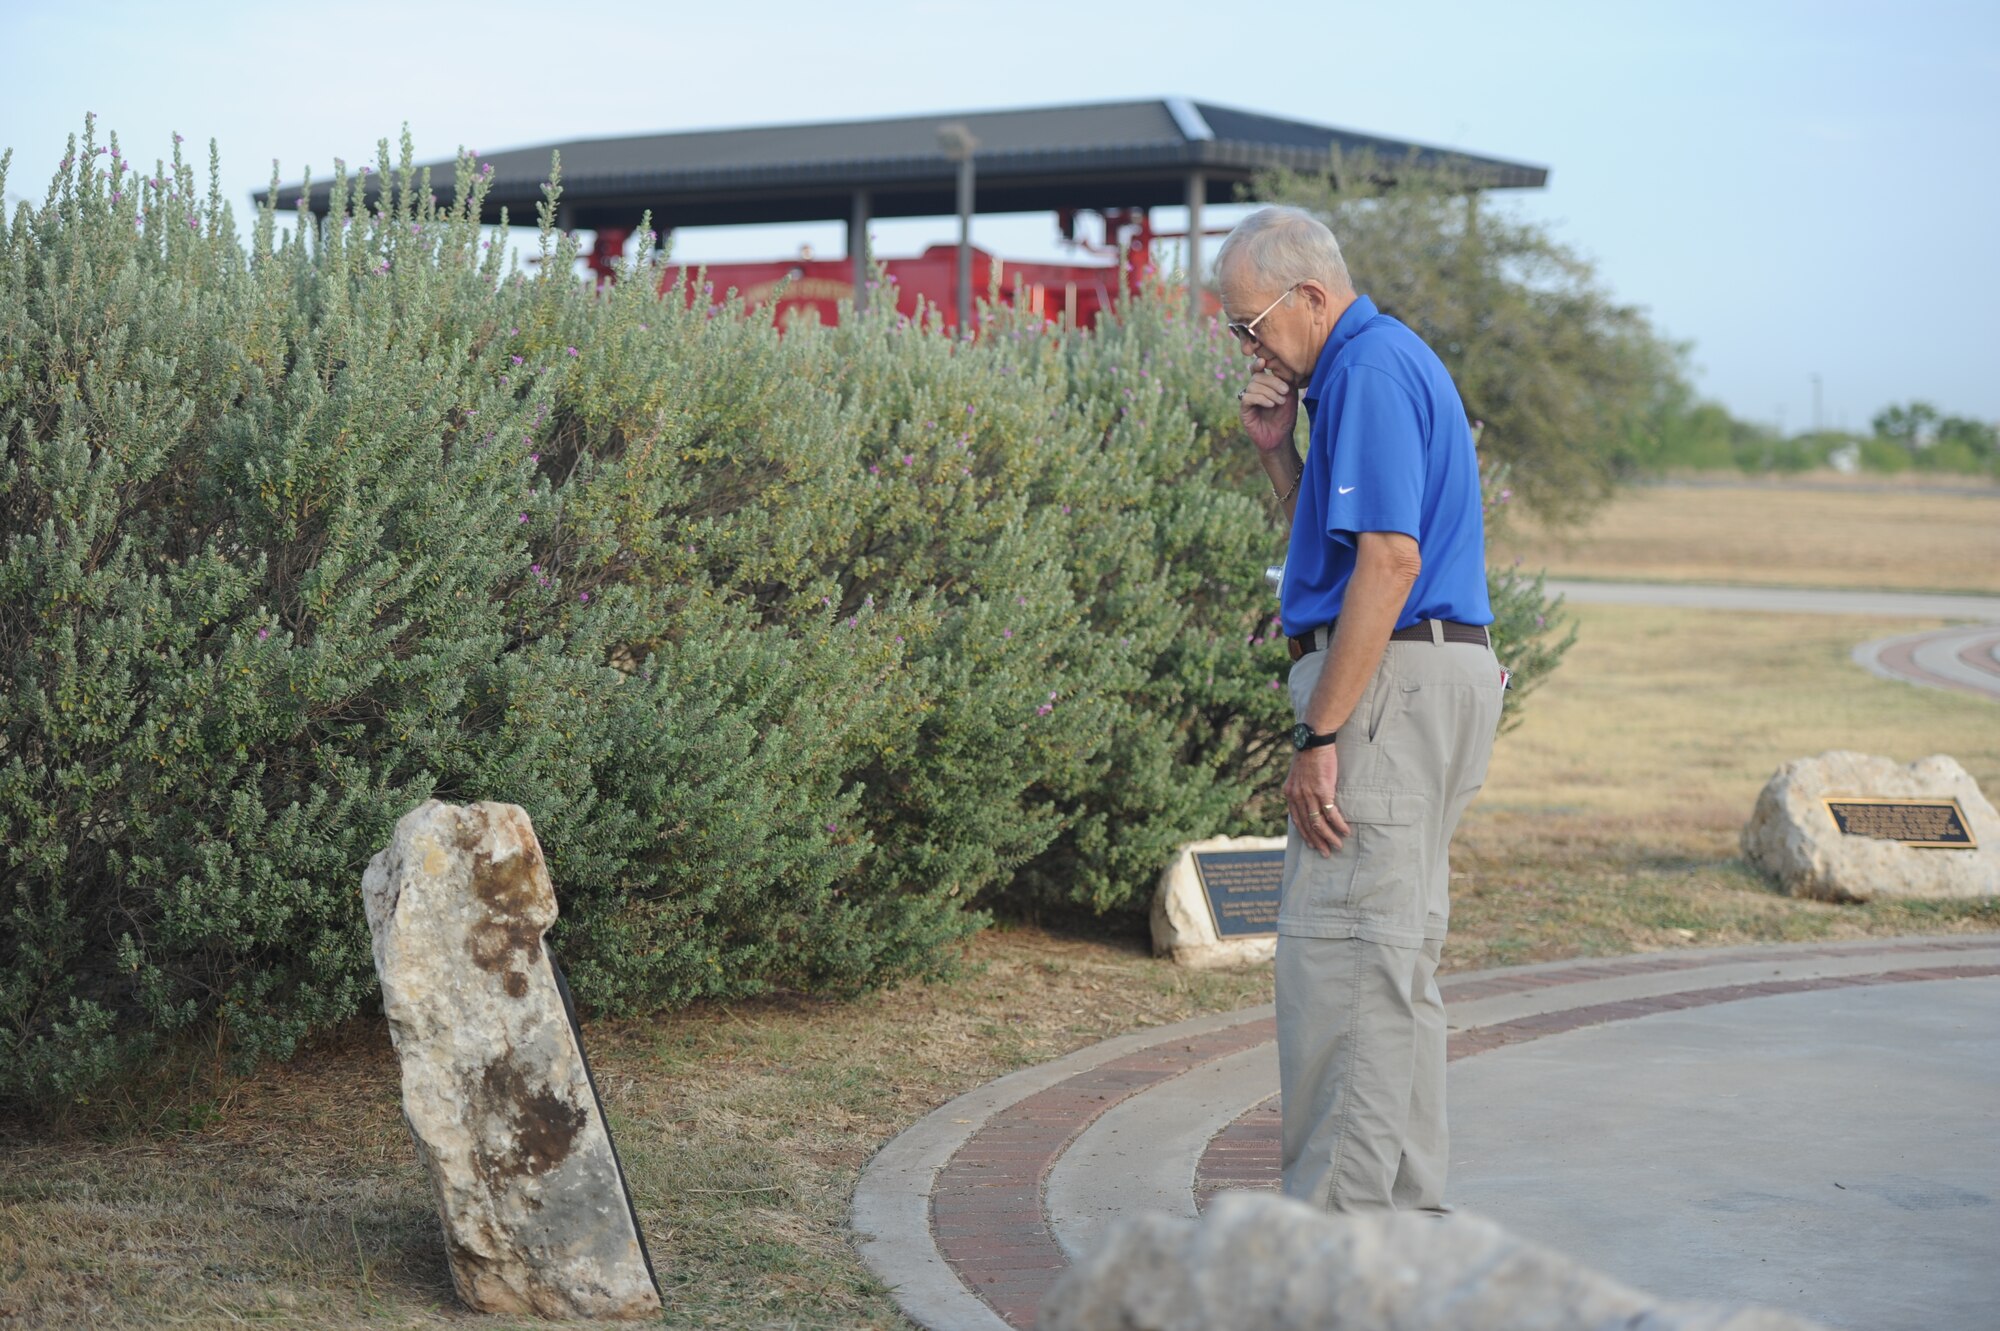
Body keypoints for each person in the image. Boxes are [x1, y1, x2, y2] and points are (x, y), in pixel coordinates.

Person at [1219, 205, 1504, 1214]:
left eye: (1246, 324)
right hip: (1425, 681)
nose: (1243, 346)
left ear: (1307, 296)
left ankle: (1335, 1259)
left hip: (1389, 692)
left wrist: (1319, 733)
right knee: (1389, 968)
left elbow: (1387, 564)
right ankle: (1402, 1245)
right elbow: (1339, 550)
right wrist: (1272, 448)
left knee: (1341, 970)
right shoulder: (1353, 372)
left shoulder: (1367, 370)